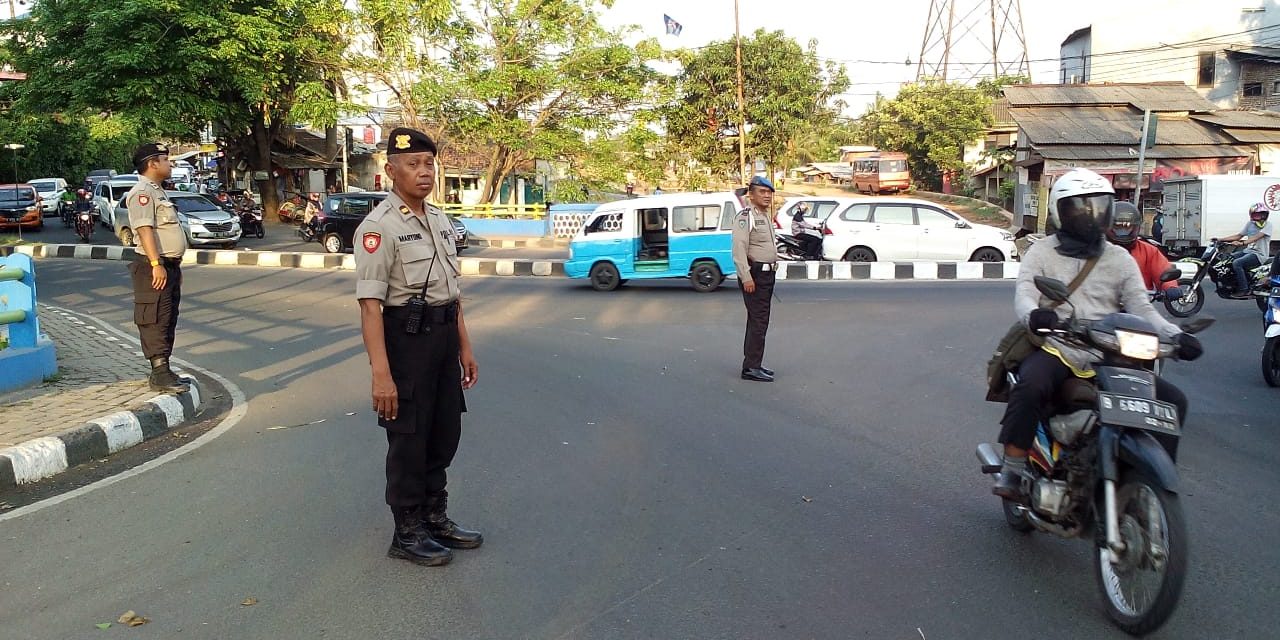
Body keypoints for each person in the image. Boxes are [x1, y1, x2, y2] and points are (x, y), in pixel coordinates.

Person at [992, 169, 1202, 499]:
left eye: (1098, 207)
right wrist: (1035, 316)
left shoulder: (1119, 258)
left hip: (1111, 349)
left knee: (1174, 400)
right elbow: (1025, 294)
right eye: (1080, 207)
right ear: (1061, 212)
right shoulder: (1042, 252)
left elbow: (1142, 308)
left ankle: (1152, 483)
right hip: (1059, 344)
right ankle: (1013, 468)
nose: (1091, 215)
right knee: (1031, 386)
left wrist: (1175, 336)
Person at [354, 127, 482, 567]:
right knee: (408, 438)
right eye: (413, 164)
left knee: (445, 431)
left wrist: (464, 347)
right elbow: (370, 307)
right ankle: (406, 531)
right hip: (406, 343)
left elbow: (453, 293)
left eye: (429, 164)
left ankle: (434, 516)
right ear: (391, 171)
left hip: (443, 338)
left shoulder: (440, 220)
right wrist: (381, 374)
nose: (424, 172)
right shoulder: (378, 228)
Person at [124, 142, 191, 394]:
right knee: (154, 318)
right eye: (166, 159)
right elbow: (145, 230)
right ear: (152, 163)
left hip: (168, 265)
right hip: (153, 264)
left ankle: (165, 370)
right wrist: (156, 264)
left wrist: (175, 266)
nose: (169, 164)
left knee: (168, 318)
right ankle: (159, 371)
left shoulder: (158, 191)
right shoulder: (142, 192)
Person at [732, 175, 780, 382]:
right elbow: (739, 248)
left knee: (758, 321)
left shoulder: (764, 216)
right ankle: (751, 367)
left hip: (767, 275)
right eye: (762, 192)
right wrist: (746, 277)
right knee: (759, 321)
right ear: (751, 195)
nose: (767, 195)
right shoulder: (746, 216)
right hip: (755, 275)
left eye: (769, 192)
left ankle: (753, 364)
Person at [1106, 201, 1178, 292]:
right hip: (1104, 302)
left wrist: (1170, 287)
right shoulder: (1098, 250)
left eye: (1127, 227)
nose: (1123, 231)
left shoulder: (1148, 251)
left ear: (1136, 227)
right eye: (1118, 227)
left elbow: (1163, 270)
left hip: (1139, 301)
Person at [1217, 202, 1273, 296]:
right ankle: (1233, 284)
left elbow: (1256, 237)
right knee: (1228, 260)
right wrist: (1220, 239)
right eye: (1257, 214)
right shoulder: (1250, 224)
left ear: (1266, 215)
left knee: (1237, 263)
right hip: (1248, 251)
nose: (1260, 216)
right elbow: (1239, 235)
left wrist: (1242, 243)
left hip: (1259, 255)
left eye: (1262, 214)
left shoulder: (1268, 225)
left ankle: (1244, 289)